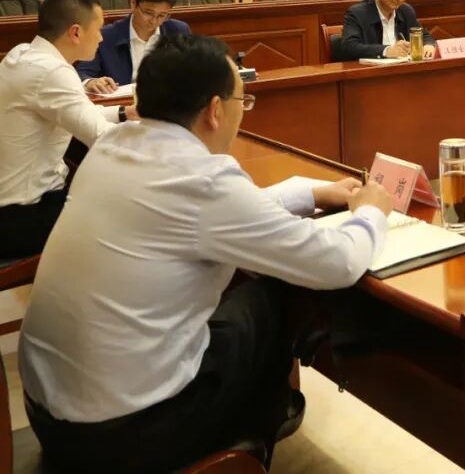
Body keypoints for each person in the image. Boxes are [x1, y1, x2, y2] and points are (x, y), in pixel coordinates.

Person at [19, 33, 394, 473]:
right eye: (242, 100)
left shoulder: (111, 147)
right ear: (216, 110)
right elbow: (338, 263)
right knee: (272, 297)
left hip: (50, 416)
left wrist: (309, 193)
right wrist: (371, 212)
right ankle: (252, 437)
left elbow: (209, 217)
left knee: (237, 303)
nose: (243, 110)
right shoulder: (202, 179)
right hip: (124, 436)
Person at [0, 0, 137, 258]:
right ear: (75, 32)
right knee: (129, 215)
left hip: (15, 206)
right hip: (22, 215)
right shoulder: (52, 71)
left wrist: (125, 112)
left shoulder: (24, 53)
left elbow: (77, 112)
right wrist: (165, 136)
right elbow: (102, 137)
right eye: (98, 29)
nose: (101, 38)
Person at [77, 0, 191, 93]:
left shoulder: (178, 31)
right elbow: (83, 73)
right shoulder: (106, 36)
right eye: (148, 13)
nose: (154, 21)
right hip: (122, 101)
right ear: (133, 3)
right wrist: (91, 81)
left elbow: (191, 71)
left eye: (162, 15)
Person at [340, 0, 435, 60]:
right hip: (373, 69)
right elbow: (349, 46)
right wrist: (386, 51)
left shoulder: (406, 11)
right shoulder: (357, 13)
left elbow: (424, 35)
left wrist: (428, 45)